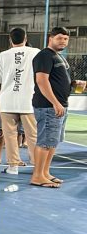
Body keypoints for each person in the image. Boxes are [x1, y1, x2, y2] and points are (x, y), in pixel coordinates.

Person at [30, 27, 86, 187]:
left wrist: (74, 83)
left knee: (52, 142)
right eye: (59, 38)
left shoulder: (58, 56)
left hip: (59, 105)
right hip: (49, 106)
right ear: (51, 38)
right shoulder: (44, 56)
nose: (63, 41)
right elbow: (42, 80)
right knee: (45, 142)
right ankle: (37, 176)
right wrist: (55, 103)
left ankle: (45, 173)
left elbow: (57, 80)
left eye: (66, 39)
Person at [0, 28, 39, 174]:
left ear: (10, 39)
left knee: (9, 135)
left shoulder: (3, 55)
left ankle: (13, 166)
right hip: (28, 100)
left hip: (7, 101)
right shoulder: (35, 52)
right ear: (26, 38)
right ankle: (38, 167)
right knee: (32, 135)